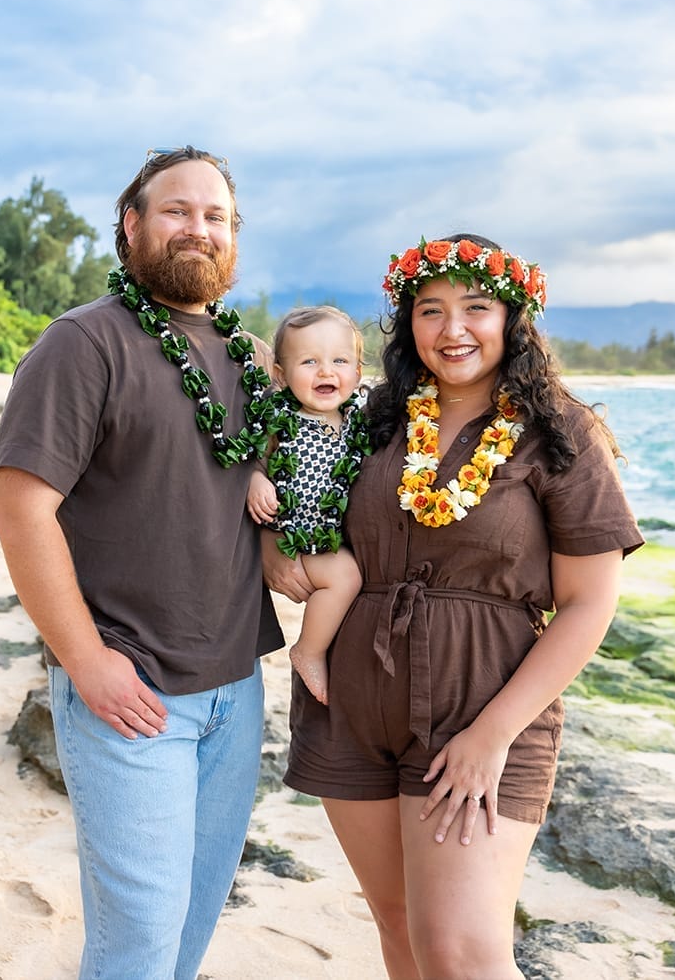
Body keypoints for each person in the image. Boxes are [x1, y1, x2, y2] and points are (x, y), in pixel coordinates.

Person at [265, 234, 644, 980]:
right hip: (353, 701)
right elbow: (289, 479)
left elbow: (590, 603)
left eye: (476, 307)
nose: (452, 329)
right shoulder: (374, 418)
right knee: (401, 928)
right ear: (408, 324)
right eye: (430, 310)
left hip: (483, 706)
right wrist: (274, 551)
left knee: (463, 954)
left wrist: (492, 735)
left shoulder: (559, 431)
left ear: (514, 316)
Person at [0, 146, 284, 980]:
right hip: (131, 691)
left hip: (236, 690)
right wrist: (87, 663)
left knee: (186, 933)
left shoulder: (254, 359)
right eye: (176, 210)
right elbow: (20, 509)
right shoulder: (82, 344)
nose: (199, 227)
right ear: (132, 225)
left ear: (233, 237)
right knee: (138, 946)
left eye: (216, 215)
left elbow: (282, 484)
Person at [247, 306, 371, 705]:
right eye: (309, 362)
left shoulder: (359, 423)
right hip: (295, 538)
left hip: (331, 533)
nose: (326, 372)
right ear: (281, 375)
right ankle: (309, 650)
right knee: (346, 577)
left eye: (339, 361)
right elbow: (250, 459)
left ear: (357, 371)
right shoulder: (281, 420)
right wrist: (254, 480)